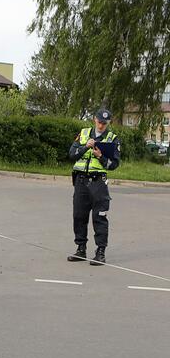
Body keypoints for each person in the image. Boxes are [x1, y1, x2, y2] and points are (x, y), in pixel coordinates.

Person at [66, 108, 121, 265]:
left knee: (100, 217)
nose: (101, 125)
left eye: (105, 123)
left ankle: (100, 252)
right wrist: (85, 147)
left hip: (98, 182)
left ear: (108, 123)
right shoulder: (83, 133)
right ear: (94, 119)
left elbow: (114, 165)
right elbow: (71, 154)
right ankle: (81, 249)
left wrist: (101, 156)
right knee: (79, 216)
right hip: (81, 181)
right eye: (99, 121)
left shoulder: (112, 139)